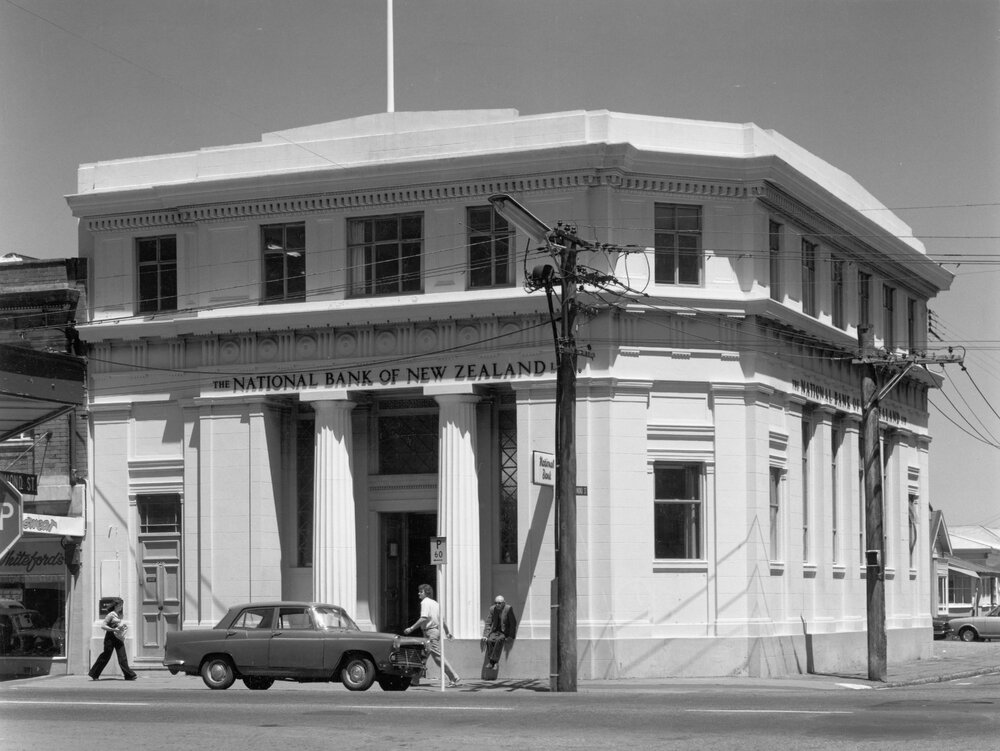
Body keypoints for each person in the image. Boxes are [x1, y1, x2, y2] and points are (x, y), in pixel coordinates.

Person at [403, 583, 461, 687]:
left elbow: (424, 618)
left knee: (437, 657)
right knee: (423, 657)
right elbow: (442, 621)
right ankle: (415, 680)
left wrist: (411, 628)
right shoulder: (435, 603)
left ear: (426, 593)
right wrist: (447, 632)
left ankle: (454, 677)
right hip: (434, 632)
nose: (418, 593)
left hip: (430, 633)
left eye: (421, 592)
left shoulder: (425, 602)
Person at [88, 598, 137, 681]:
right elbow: (103, 626)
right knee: (106, 656)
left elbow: (117, 626)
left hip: (118, 637)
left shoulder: (117, 614)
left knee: (122, 656)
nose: (121, 607)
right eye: (120, 605)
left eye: (122, 605)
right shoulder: (110, 615)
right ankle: (94, 674)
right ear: (116, 605)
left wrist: (122, 627)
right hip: (110, 638)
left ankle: (129, 675)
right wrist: (113, 629)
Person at [481, 595, 517, 668]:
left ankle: (492, 662)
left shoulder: (508, 609)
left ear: (504, 603)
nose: (497, 604)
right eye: (496, 603)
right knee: (489, 640)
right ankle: (494, 662)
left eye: (499, 603)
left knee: (498, 640)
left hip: (504, 632)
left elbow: (513, 623)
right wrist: (485, 635)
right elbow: (488, 622)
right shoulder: (492, 609)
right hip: (495, 631)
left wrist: (511, 636)